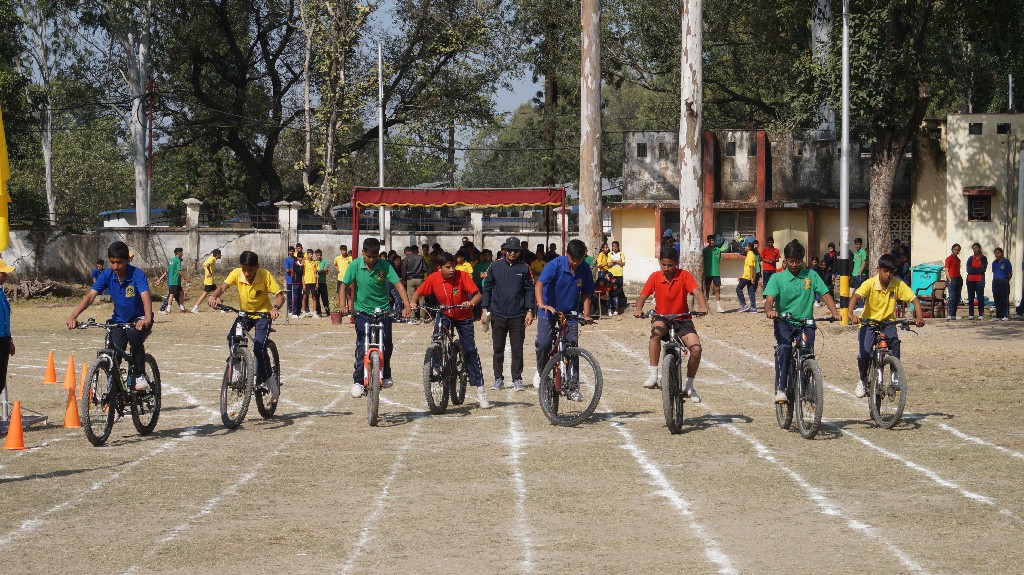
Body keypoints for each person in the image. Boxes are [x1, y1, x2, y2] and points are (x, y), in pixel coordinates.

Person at [67, 241, 155, 391]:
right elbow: (90, 297)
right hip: (119, 321)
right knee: (114, 350)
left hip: (138, 319)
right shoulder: (107, 275)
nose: (115, 267)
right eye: (112, 262)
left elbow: (145, 295)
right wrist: (73, 315)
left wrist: (147, 318)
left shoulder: (137, 274)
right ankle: (115, 388)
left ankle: (139, 374)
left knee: (134, 335)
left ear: (127, 260)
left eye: (119, 263)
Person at [763, 240, 841, 403]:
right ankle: (781, 388)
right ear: (785, 260)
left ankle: (806, 384)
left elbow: (826, 294)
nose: (794, 264)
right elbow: (769, 300)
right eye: (791, 260)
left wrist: (835, 312)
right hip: (784, 321)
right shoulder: (777, 278)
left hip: (806, 322)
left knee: (807, 352)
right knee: (784, 348)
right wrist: (770, 311)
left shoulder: (811, 275)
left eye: (797, 261)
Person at [411, 252, 490, 409]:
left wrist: (470, 302)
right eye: (448, 267)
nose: (452, 269)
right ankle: (437, 363)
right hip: (445, 312)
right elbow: (417, 293)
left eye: (453, 266)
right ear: (439, 268)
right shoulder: (433, 278)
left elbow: (477, 295)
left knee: (470, 350)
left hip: (463, 315)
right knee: (437, 336)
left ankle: (481, 390)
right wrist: (413, 303)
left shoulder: (463, 276)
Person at [207, 251, 285, 404]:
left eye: (250, 270)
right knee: (232, 338)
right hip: (245, 315)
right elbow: (223, 287)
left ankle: (271, 382)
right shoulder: (237, 274)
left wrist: (275, 308)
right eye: (244, 270)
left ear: (257, 267)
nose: (247, 273)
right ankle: (236, 369)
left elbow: (280, 295)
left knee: (258, 348)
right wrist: (214, 296)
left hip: (262, 315)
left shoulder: (265, 275)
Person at [633, 246, 708, 400]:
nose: (666, 268)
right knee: (655, 333)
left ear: (676, 264)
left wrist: (702, 306)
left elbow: (697, 292)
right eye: (664, 264)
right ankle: (653, 375)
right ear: (660, 263)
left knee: (696, 349)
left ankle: (689, 386)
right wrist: (638, 309)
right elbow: (642, 296)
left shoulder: (684, 276)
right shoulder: (655, 277)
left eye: (670, 265)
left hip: (683, 319)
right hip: (662, 317)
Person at [342, 237, 411, 398]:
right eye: (368, 256)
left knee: (386, 343)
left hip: (383, 310)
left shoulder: (385, 266)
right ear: (363, 253)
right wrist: (343, 305)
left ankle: (385, 373)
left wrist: (407, 306)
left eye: (374, 256)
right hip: (362, 311)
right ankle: (358, 381)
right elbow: (344, 285)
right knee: (362, 345)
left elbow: (398, 285)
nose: (372, 260)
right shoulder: (355, 265)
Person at [848, 254, 925, 398]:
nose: (889, 275)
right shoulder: (870, 283)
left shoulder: (897, 284)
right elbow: (856, 296)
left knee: (894, 343)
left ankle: (895, 376)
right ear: (878, 269)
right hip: (868, 322)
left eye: (892, 271)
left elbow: (914, 299)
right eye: (886, 271)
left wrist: (919, 316)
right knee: (865, 354)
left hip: (888, 322)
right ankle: (863, 379)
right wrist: (851, 313)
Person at [533, 239, 594, 394]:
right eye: (573, 260)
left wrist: (586, 314)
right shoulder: (555, 264)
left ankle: (573, 385)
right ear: (567, 255)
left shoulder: (585, 269)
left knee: (572, 345)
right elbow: (539, 284)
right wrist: (542, 304)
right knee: (544, 343)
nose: (575, 264)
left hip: (570, 311)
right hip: (549, 309)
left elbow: (586, 293)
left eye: (578, 261)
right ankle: (541, 372)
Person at [482, 237, 535, 392]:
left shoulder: (524, 268)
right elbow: (487, 287)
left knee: (517, 348)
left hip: (517, 315)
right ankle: (498, 379)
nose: (512, 253)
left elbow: (529, 290)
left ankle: (517, 379)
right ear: (504, 250)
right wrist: (485, 308)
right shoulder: (495, 266)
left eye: (516, 250)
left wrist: (529, 310)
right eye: (509, 250)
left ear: (519, 252)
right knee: (498, 348)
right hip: (498, 313)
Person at [0, 258, 15, 396]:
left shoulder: (1, 294)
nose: (6, 276)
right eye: (3, 273)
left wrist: (9, 341)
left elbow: (5, 319)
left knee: (1, 380)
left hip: (3, 340)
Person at [401, 245, 427, 324]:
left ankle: (412, 318)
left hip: (410, 279)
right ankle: (422, 318)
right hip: (420, 279)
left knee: (410, 298)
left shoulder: (407, 259)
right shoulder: (421, 258)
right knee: (421, 299)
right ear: (417, 250)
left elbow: (404, 270)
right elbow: (425, 268)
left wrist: (404, 279)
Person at [158, 247, 188, 314]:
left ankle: (181, 307)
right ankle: (168, 309)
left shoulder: (172, 260)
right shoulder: (177, 260)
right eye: (181, 252)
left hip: (174, 280)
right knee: (171, 295)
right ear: (178, 253)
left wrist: (160, 279)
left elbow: (167, 271)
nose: (182, 253)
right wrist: (186, 278)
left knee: (181, 293)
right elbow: (179, 271)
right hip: (175, 280)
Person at [702, 234, 724, 313]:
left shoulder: (718, 250)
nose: (712, 242)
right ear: (707, 241)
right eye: (710, 240)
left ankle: (718, 306)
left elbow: (719, 260)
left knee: (717, 289)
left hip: (716, 272)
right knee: (707, 289)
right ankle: (706, 304)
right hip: (707, 272)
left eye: (713, 240)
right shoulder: (705, 250)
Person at [965, 242, 987, 319]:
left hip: (979, 280)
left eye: (976, 248)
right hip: (970, 280)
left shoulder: (983, 258)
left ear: (979, 248)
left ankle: (981, 314)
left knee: (980, 297)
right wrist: (978, 269)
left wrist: (973, 269)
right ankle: (971, 314)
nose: (975, 250)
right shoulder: (970, 258)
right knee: (971, 297)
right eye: (974, 248)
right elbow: (968, 269)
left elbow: (983, 269)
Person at [736, 241, 758, 312]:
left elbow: (751, 267)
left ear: (749, 247)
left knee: (738, 288)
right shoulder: (751, 254)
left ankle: (744, 305)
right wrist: (741, 275)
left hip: (748, 276)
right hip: (749, 275)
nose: (745, 247)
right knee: (751, 291)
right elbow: (748, 268)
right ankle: (753, 308)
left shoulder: (750, 255)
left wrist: (751, 277)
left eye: (746, 246)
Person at [991, 247, 1011, 320]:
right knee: (997, 298)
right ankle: (998, 315)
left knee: (1004, 298)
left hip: (1004, 281)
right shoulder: (994, 263)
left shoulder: (1006, 262)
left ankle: (1005, 315)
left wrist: (1006, 280)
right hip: (996, 281)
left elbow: (1010, 273)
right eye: (995, 253)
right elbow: (994, 272)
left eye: (998, 253)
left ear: (1002, 253)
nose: (997, 255)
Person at [606, 241, 626, 315]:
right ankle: (610, 308)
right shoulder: (609, 254)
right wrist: (616, 261)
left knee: (617, 291)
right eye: (613, 246)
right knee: (610, 291)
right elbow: (609, 264)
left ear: (618, 247)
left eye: (616, 246)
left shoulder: (621, 254)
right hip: (612, 274)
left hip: (619, 275)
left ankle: (616, 308)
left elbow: (623, 263)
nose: (614, 248)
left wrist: (615, 261)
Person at [944, 243, 962, 320]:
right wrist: (950, 279)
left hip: (958, 278)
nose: (956, 251)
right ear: (952, 250)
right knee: (952, 297)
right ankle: (950, 314)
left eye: (958, 250)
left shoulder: (958, 260)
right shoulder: (949, 259)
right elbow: (946, 270)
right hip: (952, 278)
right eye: (955, 249)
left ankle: (954, 314)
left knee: (957, 297)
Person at [333, 245, 352, 315]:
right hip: (340, 279)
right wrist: (339, 270)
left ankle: (350, 311)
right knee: (340, 295)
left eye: (345, 250)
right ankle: (341, 309)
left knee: (349, 295)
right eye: (343, 250)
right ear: (340, 251)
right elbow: (334, 265)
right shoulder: (337, 258)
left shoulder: (350, 258)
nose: (344, 251)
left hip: (349, 279)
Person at [760, 237, 780, 302]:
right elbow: (761, 258)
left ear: (773, 242)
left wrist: (773, 260)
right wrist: (768, 261)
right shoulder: (764, 250)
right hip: (766, 269)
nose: (770, 243)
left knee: (773, 283)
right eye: (769, 242)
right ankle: (765, 298)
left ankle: (773, 298)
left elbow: (778, 259)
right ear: (767, 243)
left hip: (773, 269)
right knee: (766, 283)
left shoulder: (776, 250)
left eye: (771, 242)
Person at [302, 247, 319, 317]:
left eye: (312, 254)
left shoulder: (315, 262)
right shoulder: (304, 262)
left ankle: (314, 312)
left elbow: (317, 273)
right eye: (309, 254)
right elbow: (302, 274)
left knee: (314, 297)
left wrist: (317, 283)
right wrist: (303, 284)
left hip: (313, 282)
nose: (311, 255)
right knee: (305, 297)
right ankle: (303, 312)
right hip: (306, 282)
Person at [315, 249, 331, 315]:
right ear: (315, 255)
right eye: (318, 255)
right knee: (316, 298)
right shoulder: (314, 262)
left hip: (323, 282)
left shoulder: (324, 262)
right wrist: (322, 271)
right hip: (316, 283)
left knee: (325, 298)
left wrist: (318, 272)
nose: (319, 256)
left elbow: (326, 271)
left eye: (320, 255)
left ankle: (327, 311)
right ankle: (318, 312)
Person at [292, 244, 306, 317]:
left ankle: (298, 312)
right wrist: (301, 266)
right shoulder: (295, 264)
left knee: (300, 298)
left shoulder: (302, 264)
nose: (301, 258)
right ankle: (294, 313)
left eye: (302, 257)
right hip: (295, 283)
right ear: (297, 258)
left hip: (301, 283)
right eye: (299, 257)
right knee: (295, 298)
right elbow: (299, 272)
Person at [284, 246, 297, 318]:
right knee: (289, 296)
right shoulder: (286, 260)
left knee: (295, 296)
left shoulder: (296, 259)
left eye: (293, 251)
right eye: (290, 251)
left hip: (296, 280)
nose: (292, 252)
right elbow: (287, 270)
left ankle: (294, 309)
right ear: (288, 252)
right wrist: (294, 268)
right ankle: (289, 309)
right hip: (289, 280)